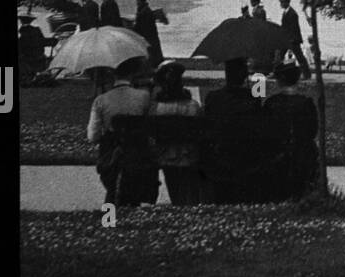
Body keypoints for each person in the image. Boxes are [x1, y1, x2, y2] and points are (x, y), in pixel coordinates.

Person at [87, 57, 157, 205]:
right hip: (138, 151)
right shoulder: (144, 97)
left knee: (111, 193)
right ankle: (131, 220)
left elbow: (93, 136)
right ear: (132, 73)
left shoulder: (101, 100)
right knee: (133, 193)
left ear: (112, 74)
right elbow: (151, 125)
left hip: (111, 152)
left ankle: (109, 222)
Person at [149, 61, 208, 205]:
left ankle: (177, 203)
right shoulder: (193, 106)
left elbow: (151, 133)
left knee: (174, 182)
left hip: (166, 156)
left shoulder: (156, 108)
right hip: (189, 154)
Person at [203, 58, 262, 203]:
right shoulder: (252, 99)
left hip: (220, 154)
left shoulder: (213, 97)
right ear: (244, 75)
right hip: (245, 156)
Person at [264, 63, 319, 199]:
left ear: (279, 81)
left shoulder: (271, 103)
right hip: (302, 153)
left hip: (277, 152)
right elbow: (312, 130)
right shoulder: (306, 103)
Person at [18, 14, 52, 83]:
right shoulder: (37, 30)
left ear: (21, 21)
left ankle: (27, 76)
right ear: (31, 21)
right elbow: (43, 41)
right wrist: (53, 41)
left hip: (27, 58)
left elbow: (21, 47)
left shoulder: (22, 33)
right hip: (39, 56)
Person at [133, 0, 164, 68]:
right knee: (153, 54)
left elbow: (143, 26)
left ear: (140, 1)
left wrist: (135, 30)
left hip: (149, 37)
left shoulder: (145, 11)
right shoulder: (143, 9)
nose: (136, 2)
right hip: (150, 37)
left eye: (137, 0)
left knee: (152, 55)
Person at [279, 0, 309, 71]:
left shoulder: (292, 13)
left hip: (293, 40)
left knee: (299, 57)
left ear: (287, 3)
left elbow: (294, 28)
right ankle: (277, 72)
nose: (281, 4)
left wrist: (291, 39)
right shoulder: (286, 12)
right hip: (286, 39)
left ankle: (306, 74)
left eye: (282, 3)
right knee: (280, 55)